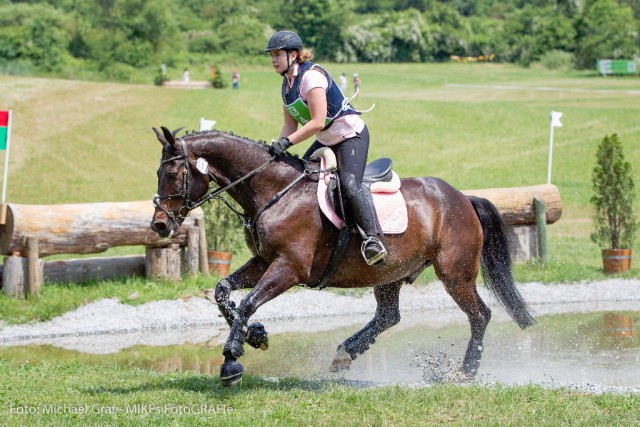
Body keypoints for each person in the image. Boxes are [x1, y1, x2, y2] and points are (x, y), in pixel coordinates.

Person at [265, 30, 386, 266]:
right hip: (326, 139)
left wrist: (287, 142)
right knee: (299, 179)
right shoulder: (286, 84)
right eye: (272, 55)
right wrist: (276, 148)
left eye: (277, 54)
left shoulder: (311, 77)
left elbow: (318, 121)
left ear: (294, 55)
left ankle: (372, 240)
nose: (273, 60)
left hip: (350, 135)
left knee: (350, 185)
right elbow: (289, 124)